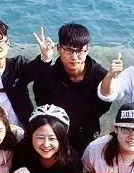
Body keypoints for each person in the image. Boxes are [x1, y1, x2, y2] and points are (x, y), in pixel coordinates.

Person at [32, 23, 112, 153]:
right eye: (69, 50)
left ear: (87, 49)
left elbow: (104, 106)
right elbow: (41, 102)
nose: (74, 57)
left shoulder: (101, 76)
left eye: (79, 51)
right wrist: (45, 60)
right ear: (59, 48)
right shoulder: (48, 76)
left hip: (87, 137)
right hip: (55, 139)